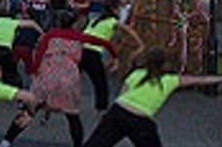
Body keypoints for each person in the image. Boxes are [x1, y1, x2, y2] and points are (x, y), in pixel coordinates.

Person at [0, 10, 118, 147]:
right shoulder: (78, 36)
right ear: (74, 23)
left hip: (48, 73)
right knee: (72, 115)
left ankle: (6, 141)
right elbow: (105, 43)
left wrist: (34, 71)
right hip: (69, 75)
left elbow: (38, 54)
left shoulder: (50, 35)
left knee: (29, 109)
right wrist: (114, 57)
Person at [82, 48, 222, 147]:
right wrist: (219, 79)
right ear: (165, 64)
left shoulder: (136, 74)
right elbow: (200, 80)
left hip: (118, 112)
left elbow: (122, 94)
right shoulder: (169, 80)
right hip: (140, 121)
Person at [80, 0, 144, 117]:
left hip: (80, 50)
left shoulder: (95, 20)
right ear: (114, 9)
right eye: (119, 8)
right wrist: (140, 44)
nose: (120, 11)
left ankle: (48, 100)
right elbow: (128, 30)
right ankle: (101, 111)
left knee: (70, 77)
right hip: (92, 53)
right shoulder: (112, 21)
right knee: (100, 84)